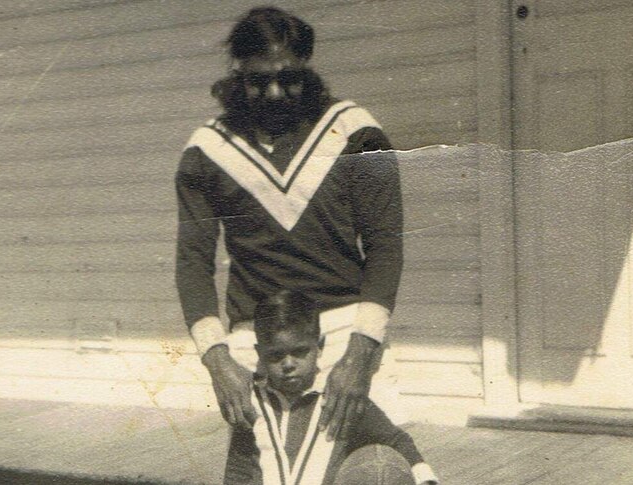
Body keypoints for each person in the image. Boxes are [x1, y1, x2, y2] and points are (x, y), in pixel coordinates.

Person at [175, 7, 403, 440]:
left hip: (345, 331)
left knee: (376, 467)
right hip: (259, 341)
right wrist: (218, 360)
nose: (277, 93)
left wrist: (360, 354)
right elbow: (192, 264)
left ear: (308, 68)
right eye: (260, 81)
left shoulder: (355, 132)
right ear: (238, 75)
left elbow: (386, 247)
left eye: (290, 77)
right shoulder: (206, 151)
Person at [224, 290, 438, 485]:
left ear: (319, 347)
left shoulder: (341, 399)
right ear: (259, 352)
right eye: (275, 355)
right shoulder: (251, 404)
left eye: (299, 352)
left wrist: (424, 477)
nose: (288, 364)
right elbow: (238, 469)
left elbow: (396, 440)